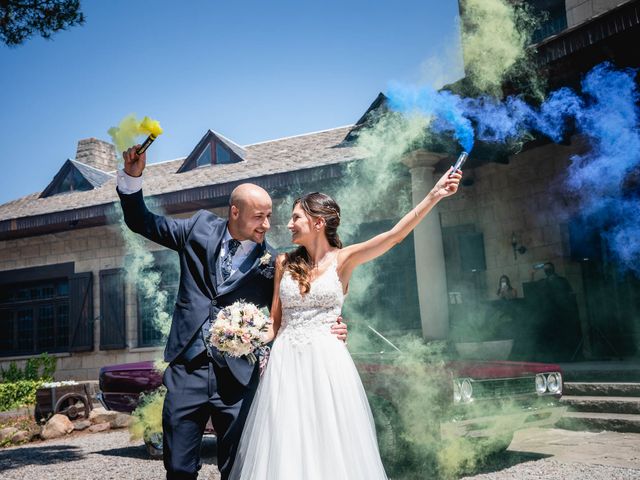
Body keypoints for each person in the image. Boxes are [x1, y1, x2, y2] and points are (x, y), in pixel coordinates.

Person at [116, 146, 347, 480]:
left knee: (238, 468)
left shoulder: (274, 263)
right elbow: (141, 221)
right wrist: (133, 177)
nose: (267, 225)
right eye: (259, 217)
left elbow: (296, 307)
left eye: (269, 216)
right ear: (234, 212)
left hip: (237, 377)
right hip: (188, 370)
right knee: (179, 467)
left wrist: (334, 325)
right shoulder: (197, 230)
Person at [230, 168, 462, 479]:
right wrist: (240, 334)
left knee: (331, 443)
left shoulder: (344, 260)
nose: (288, 224)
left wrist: (434, 194)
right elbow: (275, 322)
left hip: (327, 365)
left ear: (317, 223)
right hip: (285, 367)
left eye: (295, 217)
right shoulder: (283, 262)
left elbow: (395, 236)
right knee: (287, 443)